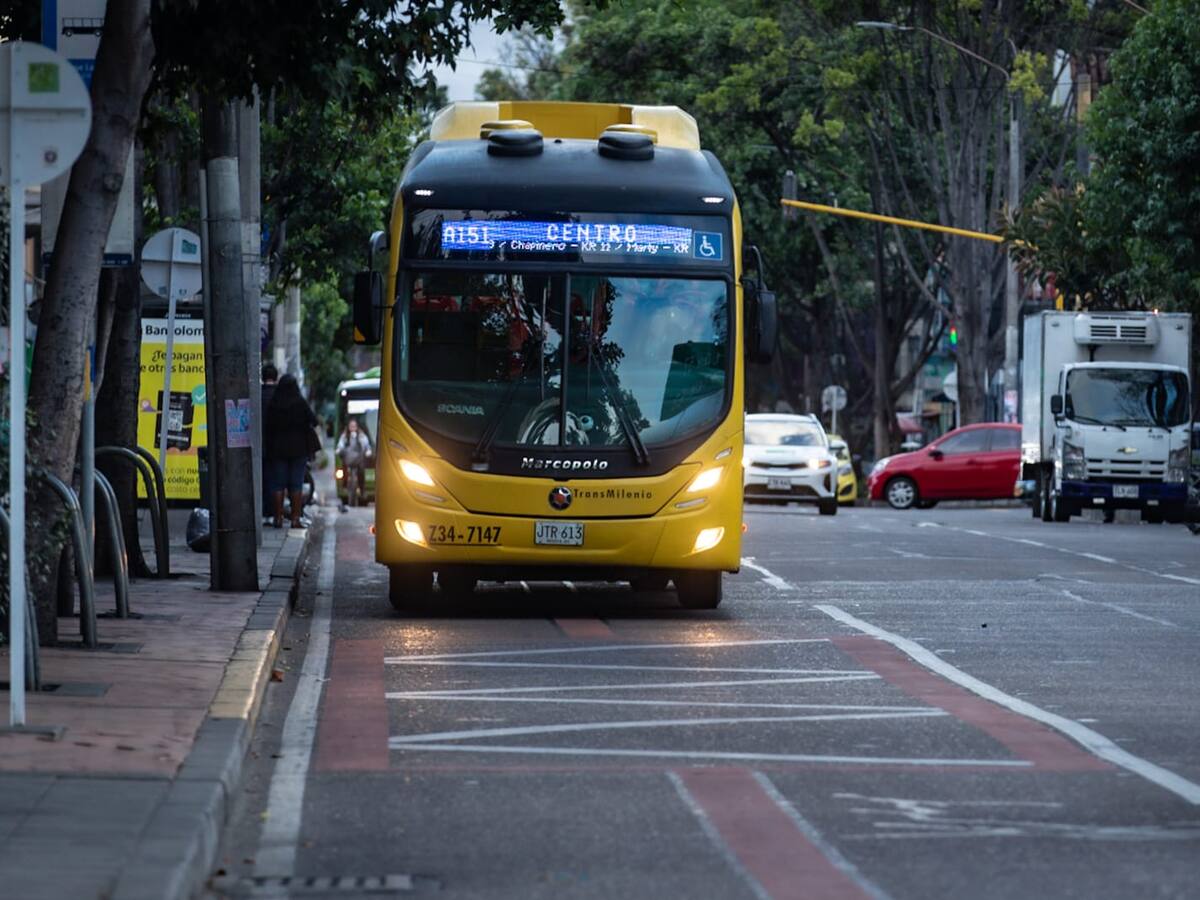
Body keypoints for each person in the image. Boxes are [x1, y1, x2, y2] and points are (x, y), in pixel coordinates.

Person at [265, 374, 317, 528]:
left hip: (278, 450)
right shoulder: (300, 403)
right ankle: (295, 519)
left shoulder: (274, 403)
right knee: (296, 484)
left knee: (278, 484)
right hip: (298, 450)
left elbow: (268, 425)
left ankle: (278, 518)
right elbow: (314, 420)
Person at [336, 417, 373, 507]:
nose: (352, 428)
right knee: (344, 470)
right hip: (349, 460)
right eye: (351, 426)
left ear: (357, 427)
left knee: (361, 471)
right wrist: (338, 449)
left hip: (358, 460)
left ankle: (362, 489)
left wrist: (368, 451)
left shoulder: (361, 436)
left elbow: (366, 445)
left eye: (354, 426)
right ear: (348, 427)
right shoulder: (345, 436)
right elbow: (340, 445)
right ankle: (345, 485)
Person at [260, 363, 279, 524]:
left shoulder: (257, 394)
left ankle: (265, 512)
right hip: (278, 446)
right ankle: (274, 513)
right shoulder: (280, 395)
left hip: (260, 445)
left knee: (263, 479)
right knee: (276, 480)